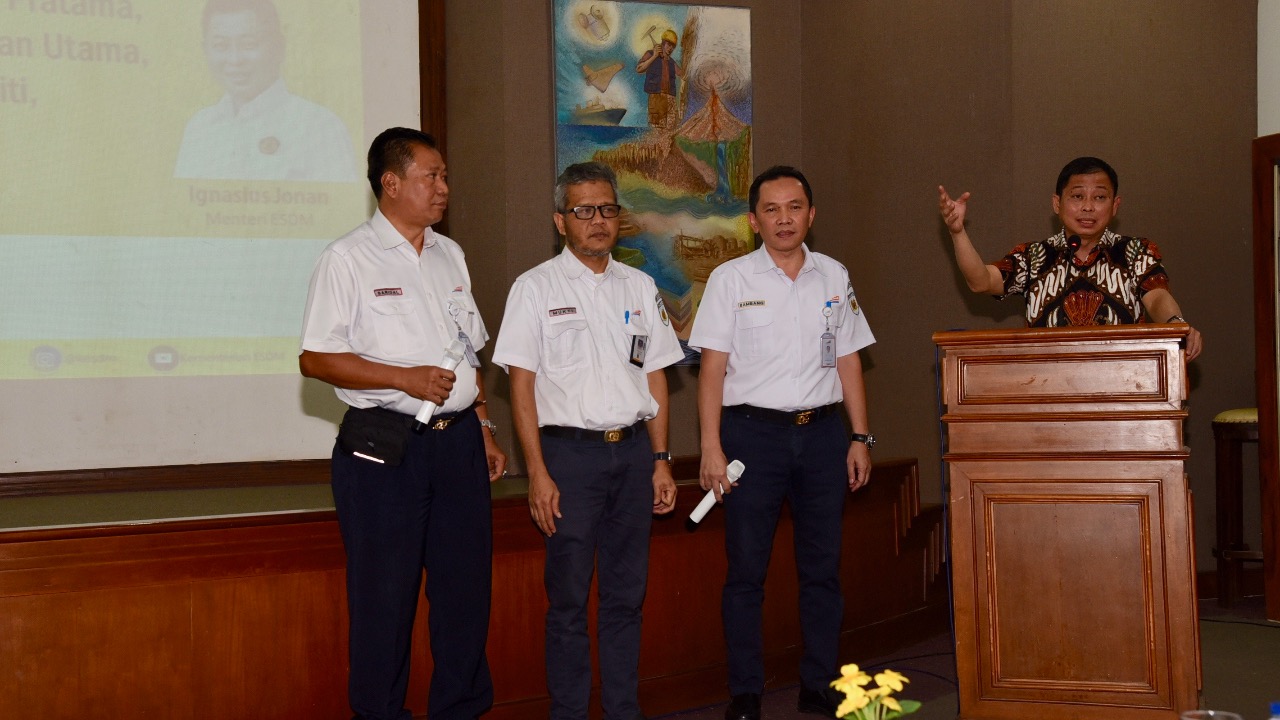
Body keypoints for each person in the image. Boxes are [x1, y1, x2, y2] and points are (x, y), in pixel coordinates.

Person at [299, 127, 506, 720]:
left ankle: (460, 709)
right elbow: (315, 358)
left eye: (444, 176)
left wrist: (484, 426)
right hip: (385, 447)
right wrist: (402, 378)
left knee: (465, 593)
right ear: (390, 183)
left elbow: (468, 350)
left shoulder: (449, 254)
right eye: (430, 176)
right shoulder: (347, 258)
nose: (443, 188)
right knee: (384, 600)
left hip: (458, 443)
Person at [491, 161, 682, 720]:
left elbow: (655, 377)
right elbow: (520, 387)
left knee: (626, 598)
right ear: (561, 220)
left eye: (607, 209)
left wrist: (661, 460)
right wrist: (537, 472)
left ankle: (624, 710)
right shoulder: (534, 288)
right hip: (569, 460)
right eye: (583, 211)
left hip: (634, 455)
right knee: (569, 602)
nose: (597, 220)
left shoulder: (639, 287)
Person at [688, 166, 876, 720]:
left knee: (823, 569)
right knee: (746, 571)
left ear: (811, 215)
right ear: (754, 221)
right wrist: (711, 447)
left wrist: (860, 436)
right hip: (752, 438)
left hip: (822, 436)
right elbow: (711, 370)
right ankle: (745, 692)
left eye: (794, 207)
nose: (784, 219)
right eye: (771, 210)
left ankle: (819, 684)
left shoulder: (834, 275)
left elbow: (849, 360)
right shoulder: (730, 279)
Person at [937, 156, 1203, 360]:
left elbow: (1157, 297)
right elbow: (981, 281)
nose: (1088, 206)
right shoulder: (1034, 256)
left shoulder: (1135, 252)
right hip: (1046, 387)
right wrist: (957, 233)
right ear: (1057, 203)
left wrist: (1176, 325)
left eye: (1099, 197)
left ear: (1115, 206)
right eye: (1077, 196)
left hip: (1123, 382)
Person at [175, 0, 359, 181]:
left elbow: (340, 201)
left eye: (248, 44)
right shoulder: (199, 128)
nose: (235, 60)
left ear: (279, 47)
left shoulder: (320, 126)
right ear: (205, 50)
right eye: (221, 46)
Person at [635, 28, 684, 130]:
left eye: (673, 46)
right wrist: (654, 56)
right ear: (663, 43)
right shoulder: (650, 54)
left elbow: (682, 74)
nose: (670, 48)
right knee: (657, 129)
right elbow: (639, 69)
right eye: (668, 45)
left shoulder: (671, 62)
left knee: (671, 128)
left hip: (670, 98)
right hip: (656, 97)